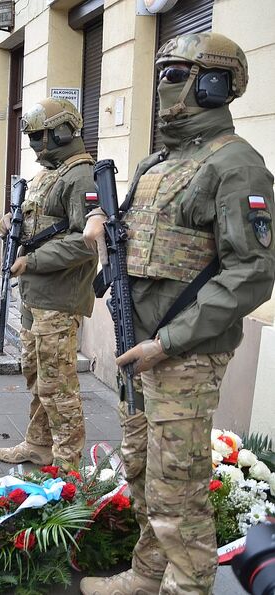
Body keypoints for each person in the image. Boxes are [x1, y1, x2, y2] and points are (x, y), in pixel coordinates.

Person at [80, 33, 275, 595]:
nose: (164, 85)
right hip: (138, 348)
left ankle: (187, 586)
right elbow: (134, 250)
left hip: (183, 356)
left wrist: (168, 342)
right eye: (163, 72)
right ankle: (145, 578)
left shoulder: (236, 165)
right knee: (142, 475)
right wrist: (98, 235)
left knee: (179, 490)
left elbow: (252, 273)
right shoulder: (156, 163)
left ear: (214, 84)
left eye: (177, 73)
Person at [0, 98, 97, 474]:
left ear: (65, 130)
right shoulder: (46, 174)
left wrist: (32, 259)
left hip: (60, 296)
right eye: (33, 136)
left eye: (41, 135)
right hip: (34, 294)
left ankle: (69, 464)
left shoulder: (81, 176)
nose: (37, 144)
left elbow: (85, 241)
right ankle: (39, 445)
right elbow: (36, 223)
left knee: (59, 384)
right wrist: (10, 221)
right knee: (36, 375)